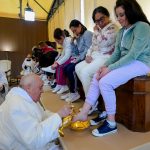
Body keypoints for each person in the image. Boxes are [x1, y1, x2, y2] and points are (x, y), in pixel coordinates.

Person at [74, 0, 150, 137]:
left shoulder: (142, 27)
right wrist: (104, 66)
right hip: (127, 61)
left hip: (141, 62)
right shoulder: (122, 31)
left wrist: (110, 68)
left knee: (105, 82)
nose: (119, 19)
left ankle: (111, 123)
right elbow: (116, 54)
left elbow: (133, 54)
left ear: (131, 12)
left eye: (122, 15)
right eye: (117, 16)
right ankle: (84, 112)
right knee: (98, 75)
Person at [0, 74, 71, 150]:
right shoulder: (16, 107)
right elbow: (34, 141)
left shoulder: (25, 98)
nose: (42, 91)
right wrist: (58, 116)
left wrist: (61, 117)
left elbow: (42, 114)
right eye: (40, 88)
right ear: (28, 88)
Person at [75, 6, 118, 96]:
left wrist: (96, 31)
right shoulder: (99, 29)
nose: (100, 22)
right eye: (97, 21)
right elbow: (92, 45)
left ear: (108, 16)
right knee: (77, 67)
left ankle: (90, 102)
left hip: (106, 57)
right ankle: (93, 95)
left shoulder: (113, 28)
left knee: (85, 73)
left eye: (102, 19)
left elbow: (103, 43)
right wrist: (88, 55)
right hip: (95, 56)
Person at [61, 19, 93, 102]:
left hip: (87, 57)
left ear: (80, 26)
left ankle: (74, 92)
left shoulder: (87, 34)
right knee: (65, 68)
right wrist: (72, 43)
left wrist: (77, 59)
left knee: (70, 69)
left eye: (75, 30)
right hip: (80, 57)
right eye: (73, 31)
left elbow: (88, 49)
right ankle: (71, 91)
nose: (74, 33)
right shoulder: (78, 36)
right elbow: (77, 52)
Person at [42, 28, 73, 94]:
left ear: (61, 37)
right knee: (58, 64)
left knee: (60, 66)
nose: (57, 43)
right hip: (69, 57)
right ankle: (59, 84)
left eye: (57, 41)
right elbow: (63, 55)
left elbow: (67, 55)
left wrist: (58, 63)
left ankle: (63, 85)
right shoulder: (65, 42)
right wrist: (56, 62)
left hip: (73, 57)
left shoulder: (68, 41)